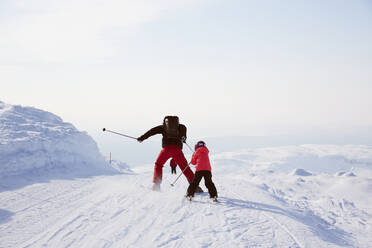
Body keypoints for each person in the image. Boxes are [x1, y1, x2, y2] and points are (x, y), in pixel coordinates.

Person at [137, 116, 202, 192]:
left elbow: (152, 131)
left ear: (165, 122)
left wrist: (142, 138)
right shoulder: (182, 127)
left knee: (158, 164)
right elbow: (184, 138)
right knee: (185, 168)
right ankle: (195, 187)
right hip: (177, 150)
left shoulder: (163, 127)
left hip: (166, 150)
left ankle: (156, 185)